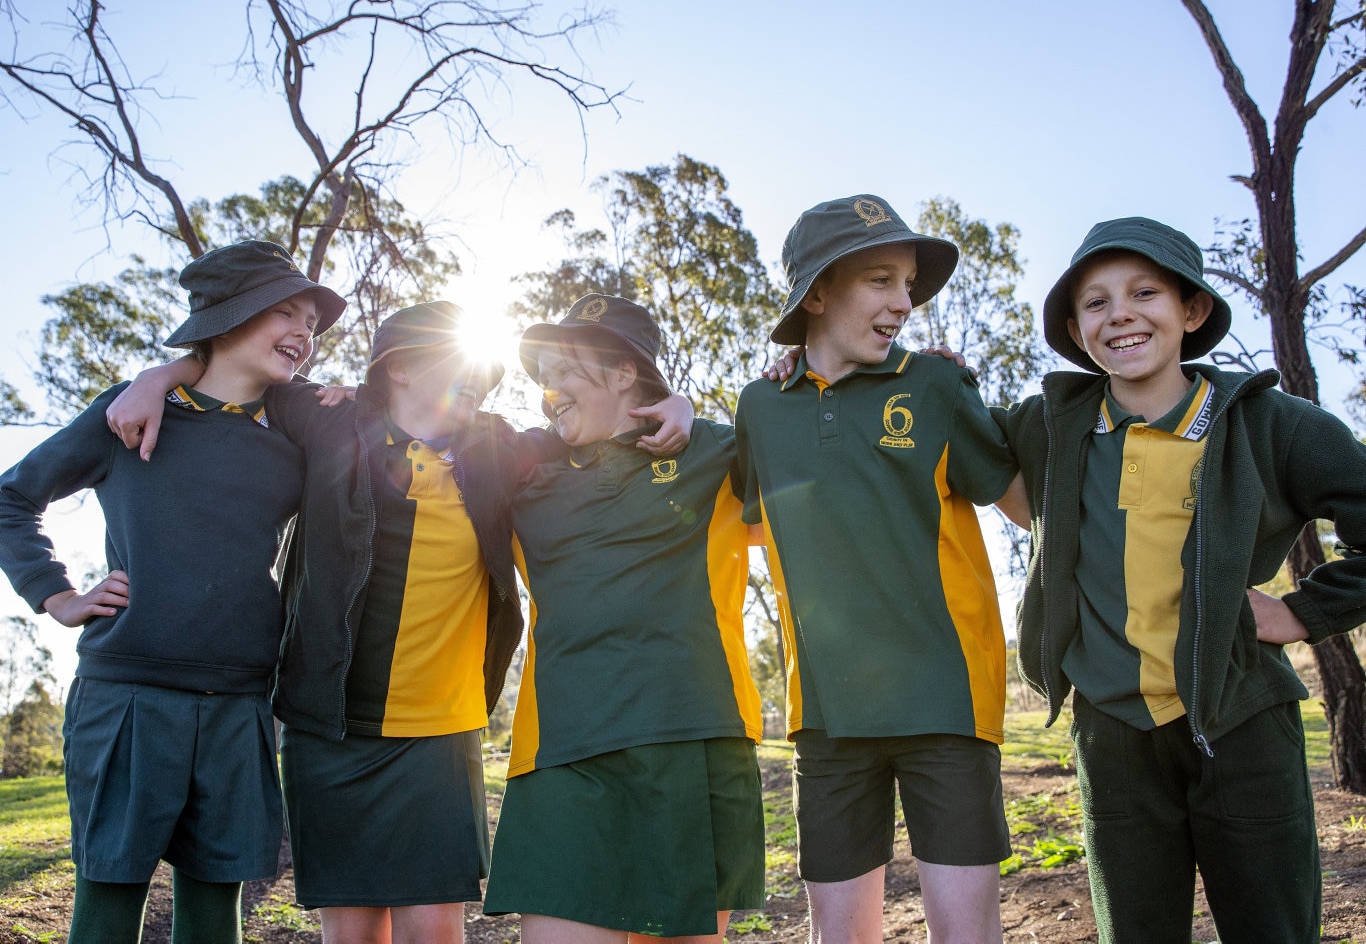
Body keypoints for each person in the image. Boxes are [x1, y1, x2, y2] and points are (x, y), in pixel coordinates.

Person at [105, 299, 693, 944]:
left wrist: (679, 406)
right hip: (328, 729)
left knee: (431, 932)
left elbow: (597, 424)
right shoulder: (329, 421)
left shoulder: (496, 447)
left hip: (439, 737)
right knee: (351, 935)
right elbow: (238, 370)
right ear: (402, 368)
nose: (478, 379)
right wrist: (157, 377)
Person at [993, 216, 1366, 943]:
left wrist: (1303, 612)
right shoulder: (1051, 425)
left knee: (1274, 929)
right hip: (1114, 732)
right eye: (1094, 302)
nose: (1120, 313)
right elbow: (949, 426)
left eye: (1145, 291)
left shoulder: (1270, 424)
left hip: (1242, 721)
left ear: (1191, 310)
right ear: (1075, 326)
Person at [0, 240, 345, 942]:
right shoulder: (127, 416)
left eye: (311, 321)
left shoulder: (295, 435)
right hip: (128, 695)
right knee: (108, 898)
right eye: (284, 312)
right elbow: (12, 500)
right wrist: (56, 595)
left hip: (242, 703)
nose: (304, 334)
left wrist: (168, 368)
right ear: (228, 315)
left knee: (217, 910)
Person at [734, 195, 1019, 943]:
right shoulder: (760, 406)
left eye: (910, 283)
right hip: (827, 716)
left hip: (946, 702)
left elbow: (1026, 503)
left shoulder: (936, 386)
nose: (905, 302)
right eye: (882, 280)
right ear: (817, 292)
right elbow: (749, 522)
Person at [480, 294, 766, 943]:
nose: (550, 390)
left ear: (623, 374)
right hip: (563, 756)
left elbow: (816, 460)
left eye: (565, 370)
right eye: (544, 375)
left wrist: (690, 405)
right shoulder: (523, 474)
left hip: (692, 745)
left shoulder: (713, 452)